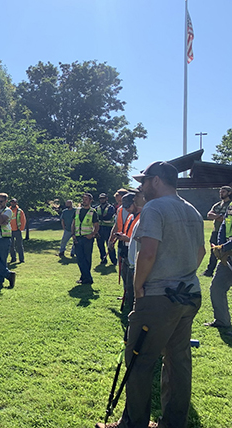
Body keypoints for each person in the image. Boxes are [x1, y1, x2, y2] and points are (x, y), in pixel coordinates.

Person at [96, 161, 205, 428]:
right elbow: (201, 252)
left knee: (140, 360)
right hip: (189, 295)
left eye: (144, 182)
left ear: (156, 180)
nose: (141, 188)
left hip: (159, 298)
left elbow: (147, 252)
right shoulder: (192, 210)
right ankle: (174, 422)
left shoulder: (155, 207)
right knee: (178, 362)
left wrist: (137, 285)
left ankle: (133, 423)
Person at [203, 198, 232, 334]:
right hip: (228, 257)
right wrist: (221, 247)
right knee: (217, 287)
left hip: (228, 251)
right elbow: (224, 226)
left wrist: (225, 247)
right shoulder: (230, 206)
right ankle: (222, 320)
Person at [114, 192, 143, 314]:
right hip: (126, 251)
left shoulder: (143, 217)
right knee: (126, 279)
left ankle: (133, 307)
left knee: (133, 283)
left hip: (136, 254)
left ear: (135, 202)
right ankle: (128, 301)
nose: (126, 209)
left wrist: (127, 238)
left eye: (128, 206)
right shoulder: (131, 216)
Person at [202, 186, 232, 277]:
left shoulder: (229, 205)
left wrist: (217, 217)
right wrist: (219, 216)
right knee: (214, 252)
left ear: (229, 193)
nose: (221, 193)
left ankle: (225, 271)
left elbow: (224, 219)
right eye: (220, 192)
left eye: (223, 192)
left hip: (226, 234)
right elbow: (209, 215)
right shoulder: (218, 204)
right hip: (216, 232)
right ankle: (209, 271)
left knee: (226, 253)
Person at [72, 193, 99, 285]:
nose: (84, 201)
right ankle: (86, 277)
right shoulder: (77, 211)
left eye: (86, 199)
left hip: (87, 238)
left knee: (87, 258)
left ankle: (85, 278)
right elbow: (73, 223)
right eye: (83, 199)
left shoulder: (93, 212)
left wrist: (92, 234)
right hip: (78, 237)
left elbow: (96, 225)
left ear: (90, 200)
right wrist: (73, 235)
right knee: (80, 258)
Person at [96, 193, 117, 266]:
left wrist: (100, 217)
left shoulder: (110, 207)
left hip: (108, 228)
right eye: (101, 198)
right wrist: (102, 216)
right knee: (100, 245)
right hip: (99, 228)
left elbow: (108, 216)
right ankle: (103, 259)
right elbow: (95, 218)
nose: (102, 200)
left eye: (103, 198)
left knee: (110, 244)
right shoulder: (97, 208)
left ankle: (114, 260)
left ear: (106, 198)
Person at [9, 198, 26, 263]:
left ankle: (21, 259)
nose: (13, 203)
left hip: (17, 230)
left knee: (19, 245)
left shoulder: (19, 211)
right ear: (10, 203)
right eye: (12, 202)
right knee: (11, 245)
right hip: (10, 231)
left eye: (14, 202)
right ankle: (13, 258)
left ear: (16, 203)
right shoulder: (8, 210)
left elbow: (23, 220)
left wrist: (21, 228)